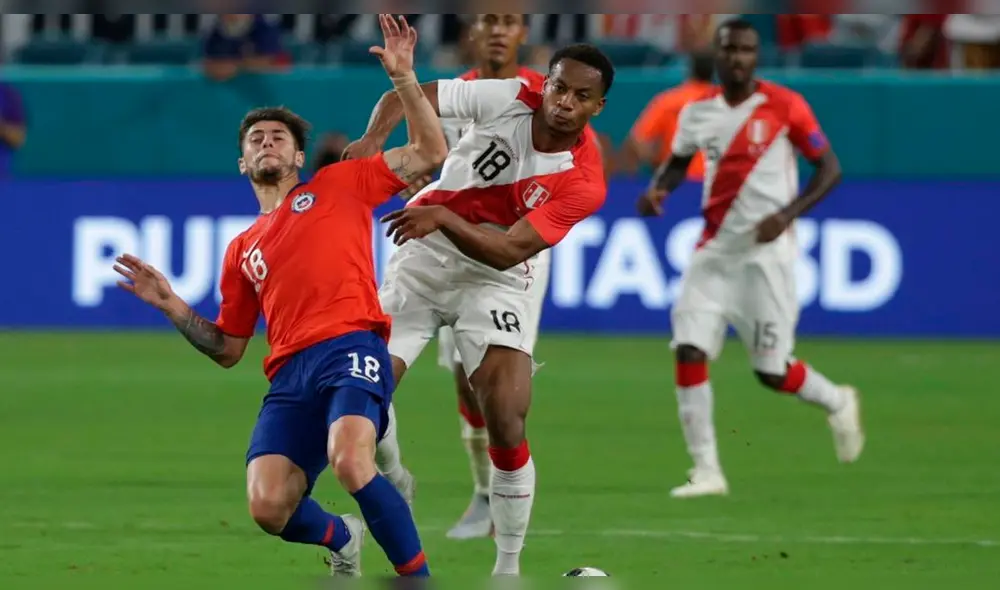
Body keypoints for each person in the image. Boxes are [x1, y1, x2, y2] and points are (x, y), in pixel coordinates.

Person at [113, 15, 446, 577]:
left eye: (280, 138)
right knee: (268, 506)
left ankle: (416, 580)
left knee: (350, 460)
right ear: (244, 163)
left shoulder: (341, 184)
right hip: (290, 375)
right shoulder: (241, 248)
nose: (268, 142)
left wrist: (405, 79)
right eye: (256, 139)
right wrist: (171, 304)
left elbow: (430, 150)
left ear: (297, 158)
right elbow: (228, 348)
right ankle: (343, 536)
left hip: (350, 346)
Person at [347, 43, 613, 576]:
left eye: (581, 96)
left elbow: (510, 250)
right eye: (559, 87)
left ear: (597, 108)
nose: (563, 102)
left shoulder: (582, 181)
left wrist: (443, 217)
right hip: (420, 259)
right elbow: (413, 95)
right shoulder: (515, 94)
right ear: (548, 82)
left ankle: (507, 570)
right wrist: (375, 140)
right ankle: (396, 474)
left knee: (507, 417)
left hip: (494, 277)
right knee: (358, 395)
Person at [637, 18, 864, 499]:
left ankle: (837, 399)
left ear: (755, 56)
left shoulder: (785, 106)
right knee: (689, 349)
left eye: (745, 50)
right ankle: (707, 471)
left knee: (772, 371)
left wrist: (787, 215)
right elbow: (679, 160)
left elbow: (830, 168)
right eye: (729, 49)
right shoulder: (698, 113)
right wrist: (659, 189)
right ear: (717, 56)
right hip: (714, 253)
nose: (737, 57)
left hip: (767, 257)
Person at [619, 50, 714, 180]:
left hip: (675, 183)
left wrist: (656, 163)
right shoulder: (725, 103)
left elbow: (637, 141)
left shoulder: (669, 101)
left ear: (690, 70)